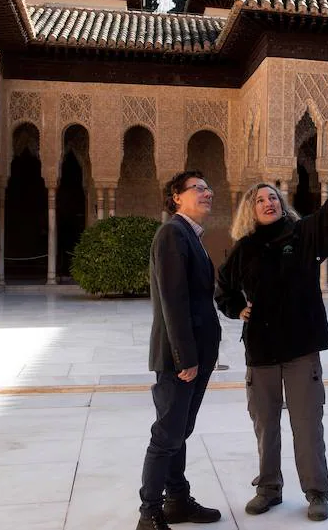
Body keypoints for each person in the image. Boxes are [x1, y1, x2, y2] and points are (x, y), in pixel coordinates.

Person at [215, 155, 328, 522]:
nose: (268, 202)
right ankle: (269, 489)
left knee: (307, 423)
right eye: (260, 200)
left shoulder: (302, 235)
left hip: (301, 347)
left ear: (281, 203)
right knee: (265, 424)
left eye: (272, 197)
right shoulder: (244, 250)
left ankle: (317, 492)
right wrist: (236, 308)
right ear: (250, 211)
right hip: (261, 350)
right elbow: (223, 288)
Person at [137, 171, 223, 530]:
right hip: (180, 358)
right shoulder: (173, 233)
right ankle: (150, 513)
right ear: (176, 196)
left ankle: (176, 501)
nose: (207, 193)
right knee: (167, 434)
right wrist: (184, 358)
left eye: (208, 188)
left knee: (179, 431)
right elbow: (173, 301)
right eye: (199, 189)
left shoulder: (189, 235)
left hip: (193, 355)